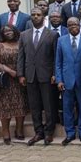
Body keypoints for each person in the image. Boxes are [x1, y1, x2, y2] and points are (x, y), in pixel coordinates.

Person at [17, 7, 59, 146]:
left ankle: (49, 132)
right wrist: (21, 74)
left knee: (49, 105)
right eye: (33, 15)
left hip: (46, 75)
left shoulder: (52, 35)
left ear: (44, 17)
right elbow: (21, 56)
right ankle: (38, 132)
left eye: (38, 15)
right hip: (30, 75)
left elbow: (55, 57)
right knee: (34, 106)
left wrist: (54, 73)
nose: (35, 17)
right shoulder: (24, 35)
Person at [0, 25, 28, 144]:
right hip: (4, 82)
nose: (8, 32)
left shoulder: (21, 43)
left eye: (10, 30)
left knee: (21, 105)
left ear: (15, 31)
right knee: (4, 107)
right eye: (5, 31)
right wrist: (10, 71)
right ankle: (6, 132)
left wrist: (20, 74)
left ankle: (19, 130)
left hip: (19, 80)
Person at [55, 17, 81, 145]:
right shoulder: (61, 40)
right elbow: (58, 62)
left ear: (80, 25)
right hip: (66, 80)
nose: (73, 26)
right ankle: (69, 133)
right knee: (67, 108)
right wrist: (59, 79)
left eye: (75, 24)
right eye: (70, 24)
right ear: (67, 26)